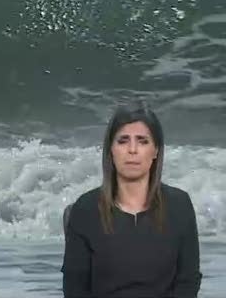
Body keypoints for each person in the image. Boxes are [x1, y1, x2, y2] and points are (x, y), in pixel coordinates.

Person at [61, 104, 202, 298]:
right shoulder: (85, 210)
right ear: (111, 149)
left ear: (156, 151)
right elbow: (75, 289)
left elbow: (188, 281)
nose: (132, 150)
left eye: (142, 141)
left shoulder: (179, 206)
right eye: (123, 141)